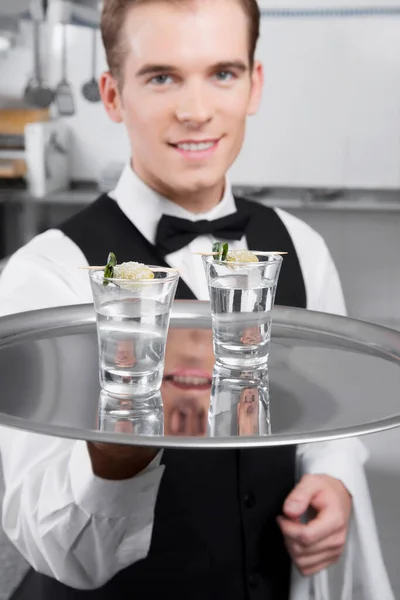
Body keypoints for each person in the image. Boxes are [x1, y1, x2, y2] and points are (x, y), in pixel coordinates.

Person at [0, 0, 393, 598]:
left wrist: (333, 479)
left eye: (223, 73)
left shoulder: (302, 250)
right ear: (112, 95)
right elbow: (51, 545)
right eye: (161, 77)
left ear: (253, 86)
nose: (196, 110)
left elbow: (326, 422)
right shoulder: (47, 277)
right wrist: (119, 450)